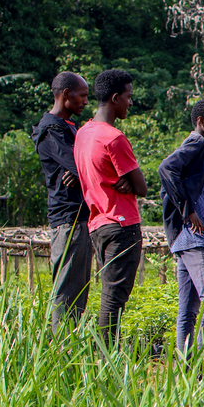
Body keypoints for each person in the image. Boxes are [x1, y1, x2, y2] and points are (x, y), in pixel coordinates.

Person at [73, 69, 148, 344]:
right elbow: (141, 187)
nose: (130, 102)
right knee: (113, 301)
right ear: (115, 98)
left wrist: (126, 180)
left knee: (108, 296)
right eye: (128, 97)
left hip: (98, 225)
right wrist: (129, 182)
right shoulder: (113, 138)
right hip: (122, 225)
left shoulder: (83, 134)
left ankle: (104, 356)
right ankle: (106, 359)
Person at [158, 99, 204, 354]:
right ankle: (199, 362)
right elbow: (166, 169)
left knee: (188, 309)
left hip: (190, 237)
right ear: (201, 121)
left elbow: (196, 188)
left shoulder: (201, 146)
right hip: (192, 238)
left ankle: (186, 369)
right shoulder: (198, 143)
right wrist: (188, 211)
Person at [31, 72, 92, 332]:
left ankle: (69, 344)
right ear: (66, 95)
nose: (85, 102)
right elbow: (81, 164)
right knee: (67, 290)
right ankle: (62, 350)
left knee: (77, 289)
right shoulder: (51, 130)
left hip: (80, 217)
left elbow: (83, 165)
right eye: (82, 96)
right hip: (69, 219)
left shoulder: (70, 128)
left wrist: (81, 170)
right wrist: (79, 169)